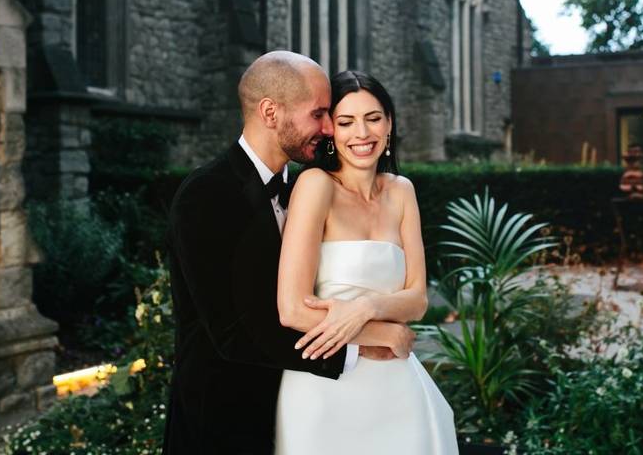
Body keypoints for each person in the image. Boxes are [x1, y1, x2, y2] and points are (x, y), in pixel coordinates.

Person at [163, 52, 415, 454]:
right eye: (319, 114)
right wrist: (364, 344)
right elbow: (235, 333)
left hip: (299, 408)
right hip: (224, 420)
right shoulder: (206, 194)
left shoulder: (306, 186)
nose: (330, 128)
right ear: (269, 112)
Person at [274, 70, 459, 454]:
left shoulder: (402, 191)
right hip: (325, 386)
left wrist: (366, 307)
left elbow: (418, 298)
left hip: (395, 384)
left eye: (373, 118)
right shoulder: (315, 185)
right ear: (331, 131)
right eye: (346, 122)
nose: (362, 133)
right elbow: (292, 309)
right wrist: (384, 332)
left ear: (389, 124)